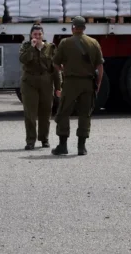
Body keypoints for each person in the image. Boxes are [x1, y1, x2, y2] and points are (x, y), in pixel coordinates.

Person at [51, 16, 104, 156]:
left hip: (70, 83)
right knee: (85, 114)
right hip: (88, 83)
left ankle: (63, 145)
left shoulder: (65, 43)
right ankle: (81, 147)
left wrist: (63, 69)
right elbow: (100, 66)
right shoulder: (94, 43)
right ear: (84, 28)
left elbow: (55, 63)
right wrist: (98, 84)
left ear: (72, 28)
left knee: (64, 112)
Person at [19, 24, 62, 150]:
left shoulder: (50, 48)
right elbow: (23, 60)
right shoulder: (26, 46)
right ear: (31, 35)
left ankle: (44, 138)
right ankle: (30, 140)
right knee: (30, 113)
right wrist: (32, 48)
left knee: (45, 112)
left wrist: (58, 86)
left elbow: (56, 68)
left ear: (43, 35)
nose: (37, 37)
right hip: (29, 82)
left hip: (46, 82)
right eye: (35, 34)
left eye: (39, 34)